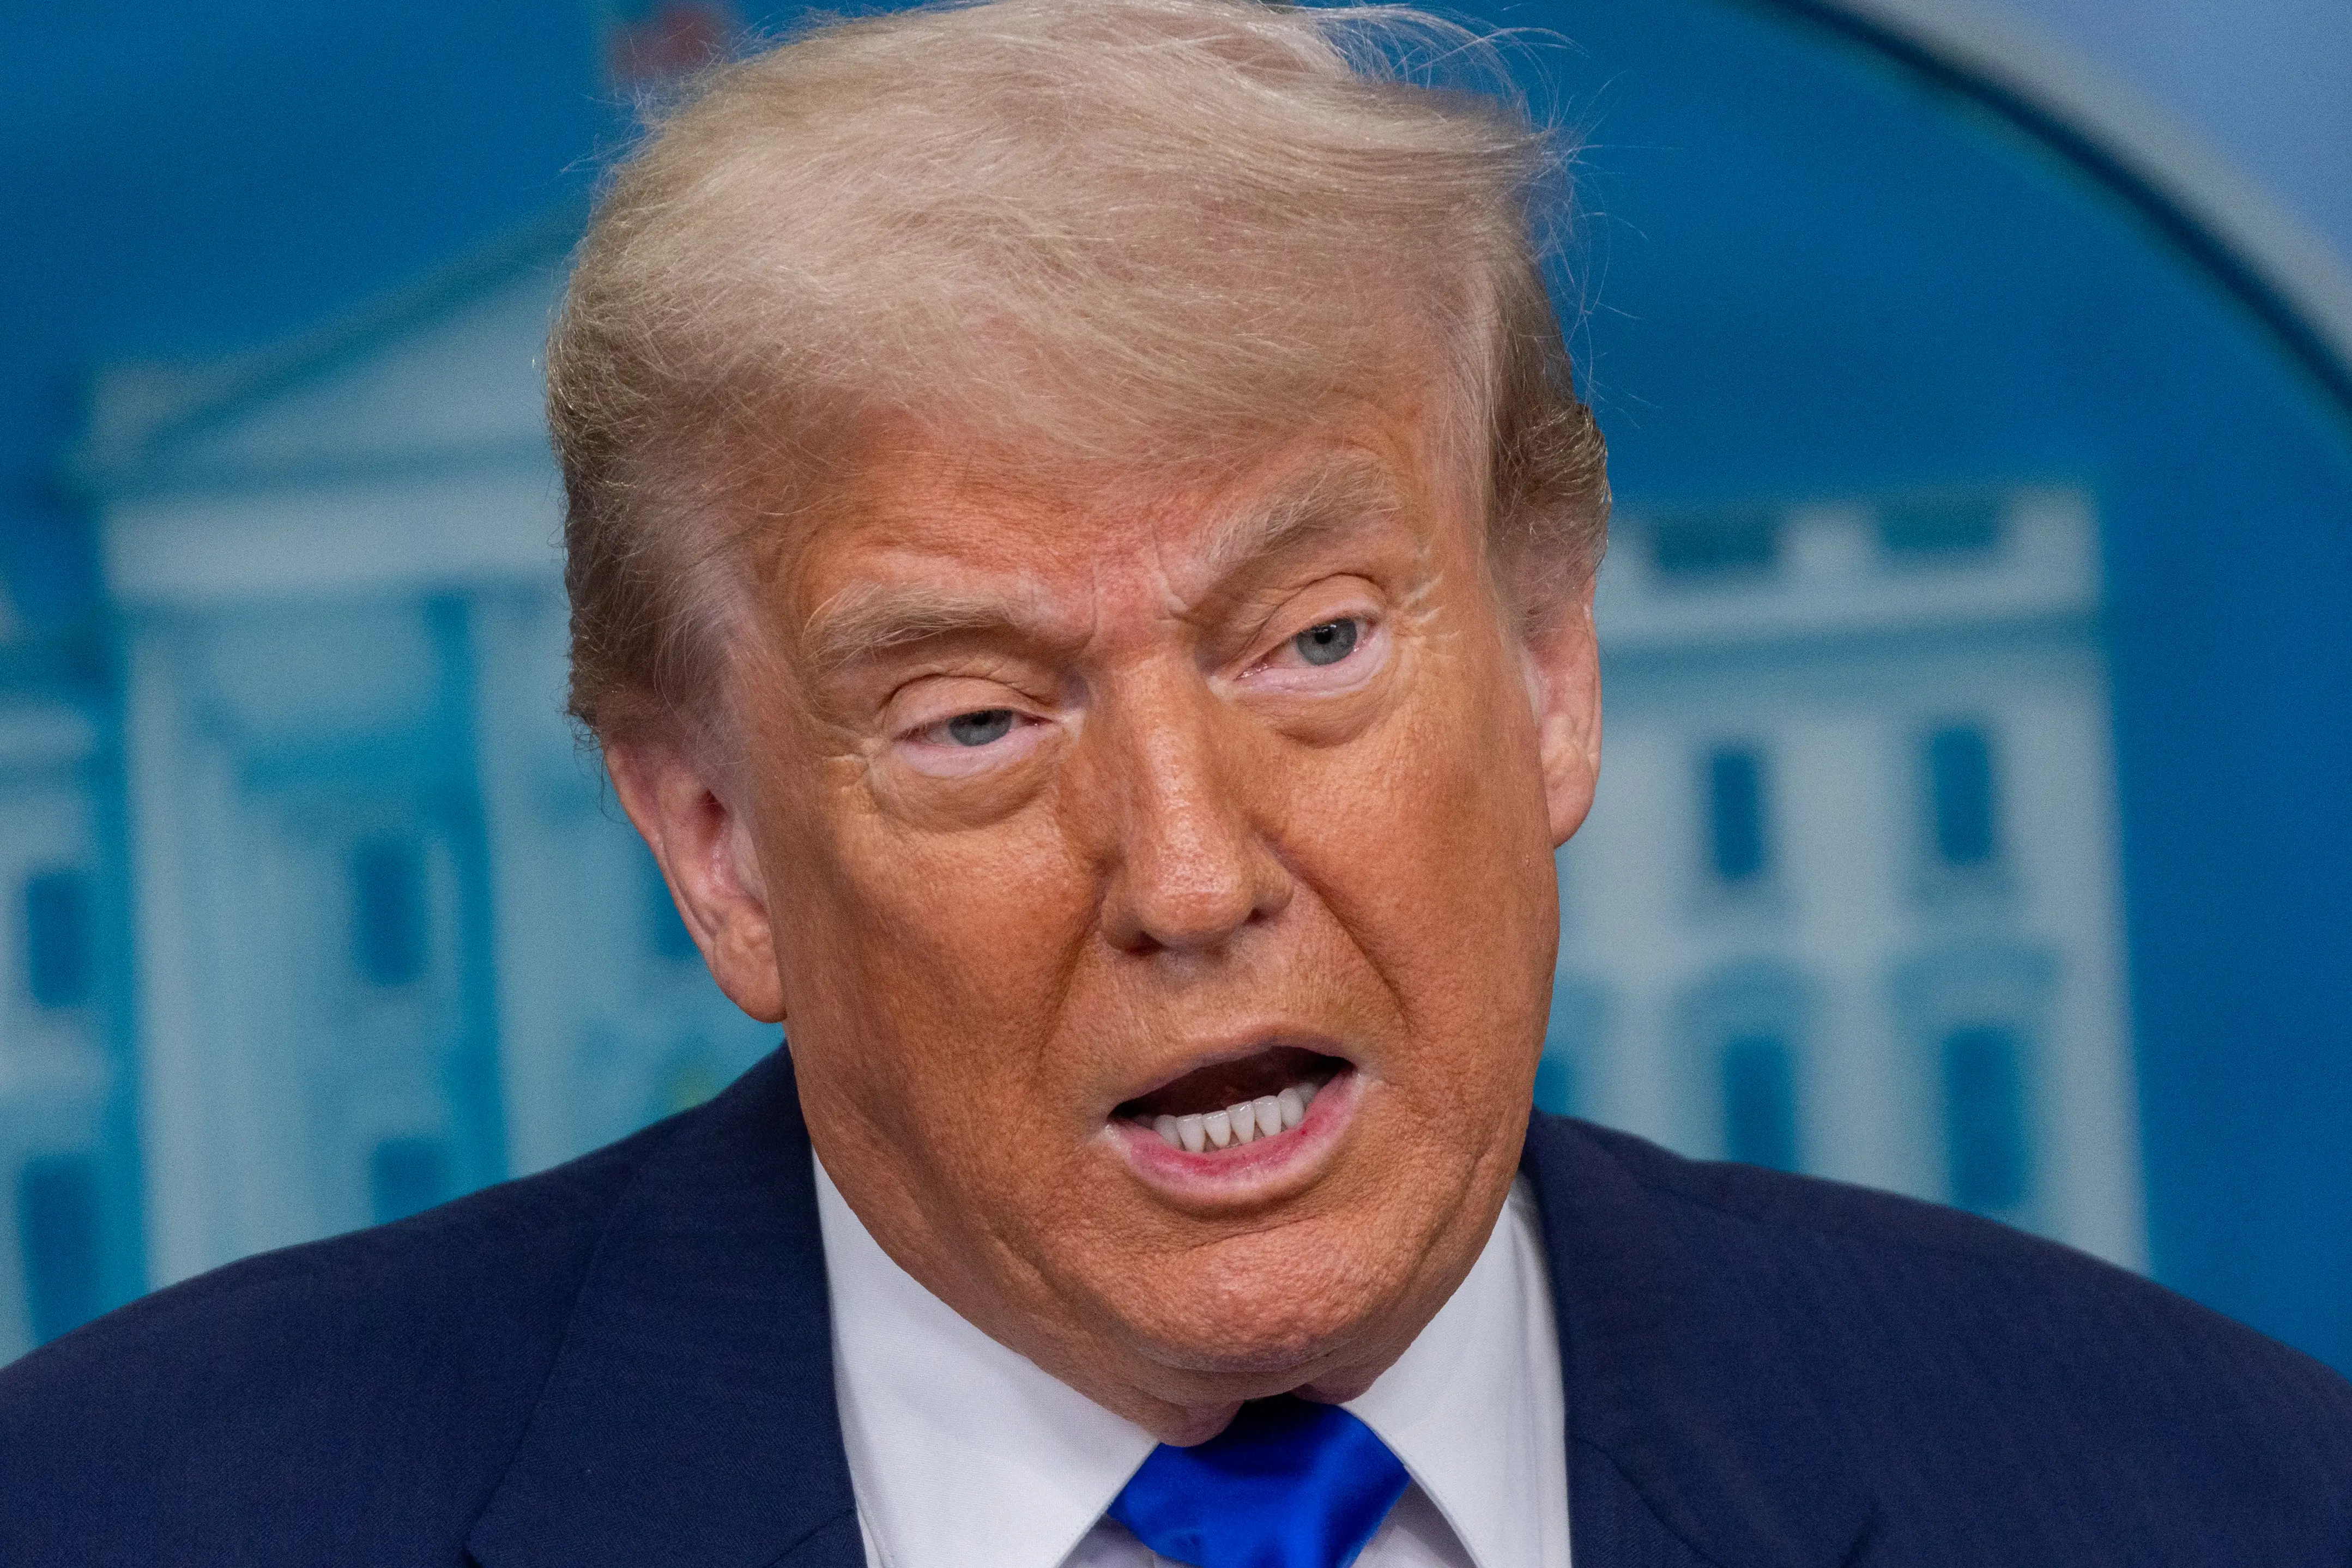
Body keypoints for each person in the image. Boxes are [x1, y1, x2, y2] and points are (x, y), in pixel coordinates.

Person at [3, 2, 2348, 1563]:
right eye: (974, 716)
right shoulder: (131, 1512)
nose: (1193, 870)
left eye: (1313, 642)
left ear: (1548, 670)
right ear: (714, 843)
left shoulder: (2193, 1490)